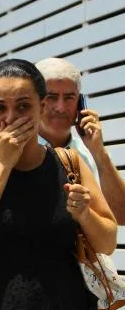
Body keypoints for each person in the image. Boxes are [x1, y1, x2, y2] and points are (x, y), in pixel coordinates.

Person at [0, 57, 125, 310]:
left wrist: (85, 214)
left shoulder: (69, 162)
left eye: (23, 106)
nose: (10, 118)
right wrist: (3, 164)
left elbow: (108, 241)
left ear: (41, 107)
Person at [36, 57, 125, 224]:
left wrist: (99, 153)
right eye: (51, 97)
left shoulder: (91, 154)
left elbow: (121, 216)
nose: (61, 107)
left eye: (69, 97)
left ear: (80, 103)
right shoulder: (14, 151)